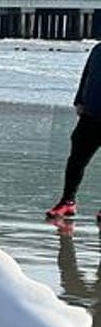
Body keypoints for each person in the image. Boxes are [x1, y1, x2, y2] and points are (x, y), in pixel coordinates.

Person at [46, 41, 101, 221]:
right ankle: (67, 202)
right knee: (76, 160)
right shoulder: (98, 49)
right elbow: (87, 75)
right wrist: (79, 100)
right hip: (90, 114)